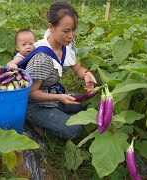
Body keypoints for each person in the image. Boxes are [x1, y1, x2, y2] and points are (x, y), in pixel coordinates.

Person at [24, 2, 97, 139]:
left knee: (87, 103)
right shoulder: (42, 58)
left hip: (53, 94)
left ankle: (54, 113)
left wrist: (86, 75)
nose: (71, 35)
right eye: (66, 31)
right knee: (75, 130)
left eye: (74, 30)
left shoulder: (67, 44)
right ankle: (34, 121)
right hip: (34, 105)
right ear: (51, 27)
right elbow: (31, 93)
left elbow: (78, 67)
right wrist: (60, 97)